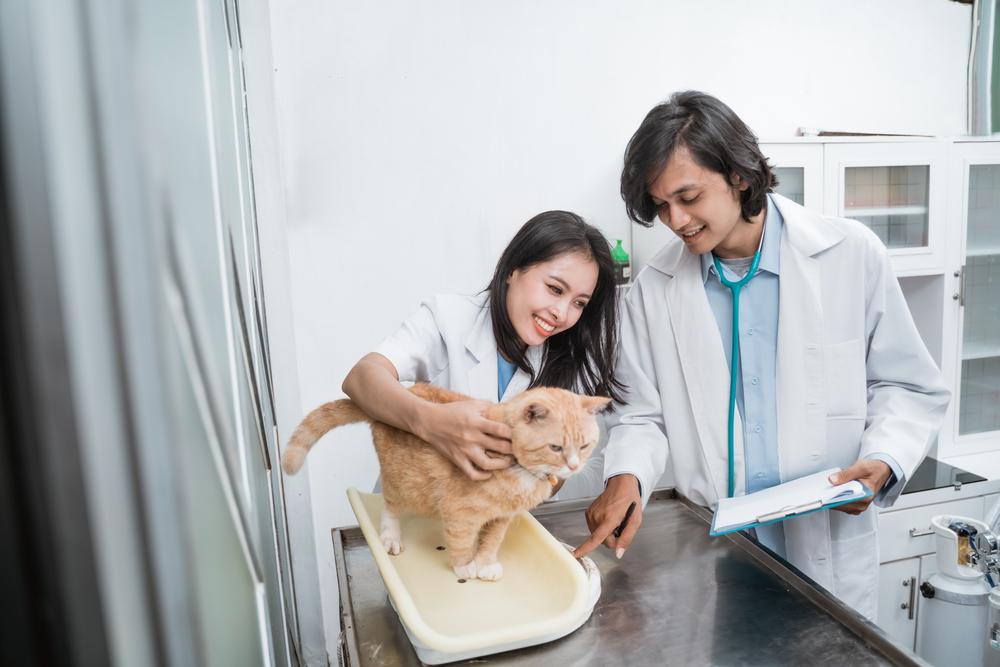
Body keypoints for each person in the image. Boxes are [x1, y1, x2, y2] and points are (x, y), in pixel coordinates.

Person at [574, 91, 950, 619]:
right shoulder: (655, 289)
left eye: (688, 197)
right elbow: (641, 414)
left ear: (740, 176)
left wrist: (885, 461)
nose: (676, 220)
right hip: (717, 551)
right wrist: (627, 476)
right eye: (660, 205)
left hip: (825, 540)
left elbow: (905, 385)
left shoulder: (849, 254)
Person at [342, 210, 624, 488]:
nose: (562, 314)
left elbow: (554, 480)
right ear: (513, 270)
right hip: (416, 504)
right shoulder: (448, 318)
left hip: (498, 517)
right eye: (555, 289)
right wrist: (430, 422)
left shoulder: (565, 354)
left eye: (579, 303)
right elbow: (361, 377)